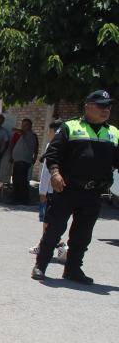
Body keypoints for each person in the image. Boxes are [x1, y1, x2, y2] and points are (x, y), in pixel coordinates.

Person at [32, 90, 119, 284]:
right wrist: (55, 173)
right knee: (54, 229)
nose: (106, 110)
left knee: (82, 234)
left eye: (108, 106)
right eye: (101, 105)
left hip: (94, 193)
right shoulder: (70, 127)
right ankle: (40, 265)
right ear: (88, 106)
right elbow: (52, 154)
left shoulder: (114, 132)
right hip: (67, 189)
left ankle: (73, 269)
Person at [29, 120, 67, 261]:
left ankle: (57, 246)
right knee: (51, 221)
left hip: (50, 190)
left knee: (47, 221)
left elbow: (46, 172)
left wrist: (42, 191)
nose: (48, 134)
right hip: (60, 189)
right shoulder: (66, 145)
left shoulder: (51, 146)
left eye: (49, 132)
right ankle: (44, 245)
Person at [9, 118, 38, 203]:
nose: (23, 126)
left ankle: (20, 198)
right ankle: (18, 197)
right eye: (23, 124)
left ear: (30, 126)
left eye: (26, 125)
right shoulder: (23, 135)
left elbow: (22, 132)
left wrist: (15, 129)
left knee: (20, 181)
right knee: (17, 179)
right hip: (18, 161)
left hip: (23, 161)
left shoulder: (29, 134)